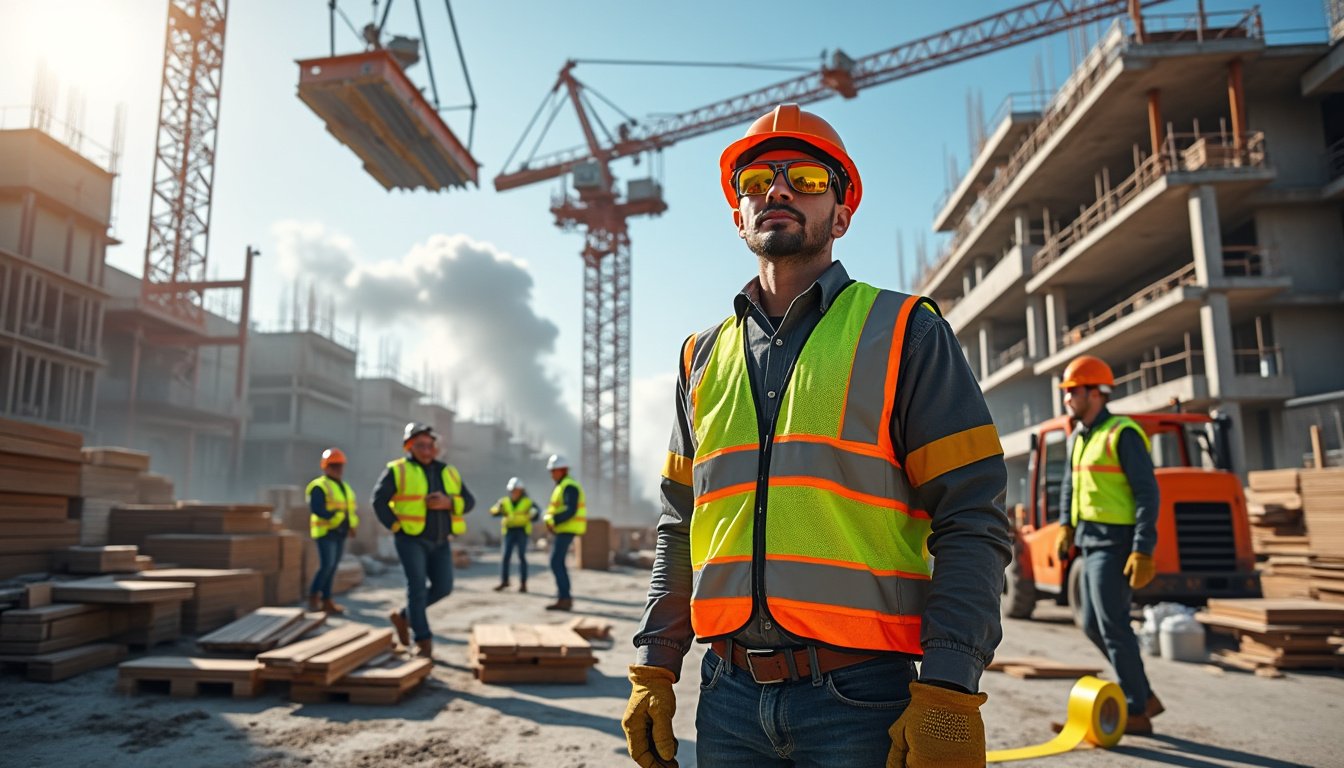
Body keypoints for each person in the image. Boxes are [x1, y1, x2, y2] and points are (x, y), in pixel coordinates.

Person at [622, 103, 1011, 768]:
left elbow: (972, 514)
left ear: (843, 211)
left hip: (859, 698)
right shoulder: (700, 359)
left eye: (803, 178)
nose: (775, 190)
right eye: (755, 182)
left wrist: (949, 685)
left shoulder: (906, 332)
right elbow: (678, 523)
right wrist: (656, 666)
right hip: (728, 696)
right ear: (737, 212)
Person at [1055, 355, 1163, 734]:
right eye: (1066, 392)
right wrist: (1065, 527)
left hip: (1115, 543)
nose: (1067, 398)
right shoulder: (1079, 436)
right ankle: (1143, 693)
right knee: (1090, 624)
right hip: (1088, 540)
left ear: (1095, 393)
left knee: (1113, 625)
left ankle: (1137, 707)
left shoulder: (1123, 433)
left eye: (1073, 391)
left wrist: (1142, 547)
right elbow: (1071, 484)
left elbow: (1148, 494)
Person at [371, 422, 475, 658]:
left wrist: (449, 502)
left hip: (440, 541)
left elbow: (469, 501)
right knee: (417, 589)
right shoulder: (397, 470)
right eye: (420, 446)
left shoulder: (448, 472)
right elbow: (378, 501)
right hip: (410, 539)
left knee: (443, 587)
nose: (427, 450)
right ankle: (423, 640)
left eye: (430, 445)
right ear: (409, 446)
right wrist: (396, 526)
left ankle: (404, 617)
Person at [306, 447, 358, 614]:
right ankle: (313, 597)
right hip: (326, 533)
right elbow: (317, 509)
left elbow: (349, 510)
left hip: (340, 533)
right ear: (326, 466)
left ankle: (326, 600)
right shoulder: (319, 486)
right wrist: (334, 517)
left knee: (333, 567)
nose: (338, 469)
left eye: (340, 465)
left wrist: (351, 526)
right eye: (334, 465)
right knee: (326, 566)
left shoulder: (344, 487)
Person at [543, 453, 586, 611]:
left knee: (556, 562)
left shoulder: (569, 486)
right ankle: (564, 597)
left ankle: (565, 598)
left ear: (561, 470)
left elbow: (570, 510)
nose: (551, 474)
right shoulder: (563, 486)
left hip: (567, 529)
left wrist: (554, 520)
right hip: (564, 529)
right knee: (557, 562)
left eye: (553, 470)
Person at [490, 476, 539, 592]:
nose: (514, 493)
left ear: (521, 490)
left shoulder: (528, 502)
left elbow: (536, 514)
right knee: (506, 557)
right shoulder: (504, 501)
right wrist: (498, 510)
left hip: (522, 531)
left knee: (521, 557)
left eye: (516, 490)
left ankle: (523, 584)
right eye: (512, 491)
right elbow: (493, 511)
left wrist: (533, 514)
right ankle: (504, 581)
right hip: (509, 531)